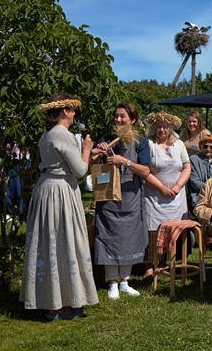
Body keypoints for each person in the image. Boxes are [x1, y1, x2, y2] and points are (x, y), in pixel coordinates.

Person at [20, 93, 98, 320]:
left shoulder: (48, 134)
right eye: (72, 110)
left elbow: (63, 161)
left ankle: (51, 301)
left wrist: (85, 153)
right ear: (65, 111)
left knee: (50, 243)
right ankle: (61, 304)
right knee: (64, 241)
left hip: (47, 188)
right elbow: (81, 171)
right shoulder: (62, 134)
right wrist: (86, 149)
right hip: (60, 193)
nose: (74, 115)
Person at [93, 103, 152, 300]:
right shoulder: (107, 140)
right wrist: (97, 151)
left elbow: (145, 171)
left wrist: (124, 161)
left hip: (131, 197)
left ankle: (125, 281)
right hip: (109, 199)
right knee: (109, 236)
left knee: (129, 237)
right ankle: (112, 283)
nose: (118, 120)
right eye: (116, 116)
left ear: (132, 120)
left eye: (122, 117)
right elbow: (90, 165)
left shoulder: (141, 143)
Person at [143, 112, 191, 279]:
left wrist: (178, 186)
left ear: (170, 128)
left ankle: (166, 262)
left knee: (173, 228)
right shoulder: (148, 144)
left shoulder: (178, 144)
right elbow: (145, 171)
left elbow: (186, 167)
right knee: (153, 229)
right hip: (154, 194)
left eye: (165, 126)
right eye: (159, 127)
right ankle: (150, 265)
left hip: (176, 195)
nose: (162, 130)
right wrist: (161, 187)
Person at [188, 133, 212, 211]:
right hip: (199, 195)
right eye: (205, 146)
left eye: (211, 147)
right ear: (200, 147)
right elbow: (195, 182)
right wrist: (211, 190)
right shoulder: (193, 159)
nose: (208, 149)